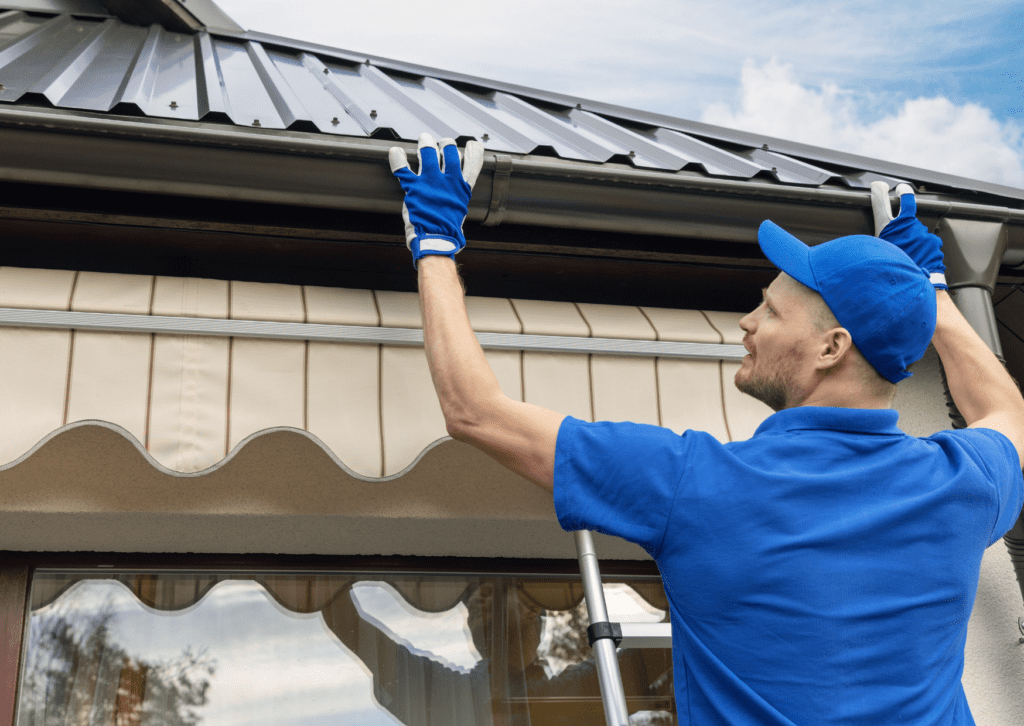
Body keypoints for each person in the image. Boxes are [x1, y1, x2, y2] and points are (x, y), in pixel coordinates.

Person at [388, 133, 1024, 725]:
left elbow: (475, 412)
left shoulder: (697, 485)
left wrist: (436, 246)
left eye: (770, 309)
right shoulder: (960, 485)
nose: (747, 322)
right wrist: (930, 293)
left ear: (831, 348)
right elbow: (1006, 411)